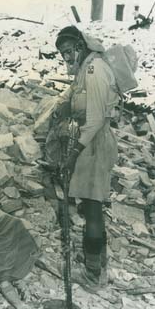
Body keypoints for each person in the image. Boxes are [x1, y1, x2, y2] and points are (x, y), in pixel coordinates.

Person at [53, 26, 119, 292]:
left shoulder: (95, 71)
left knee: (92, 208)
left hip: (94, 144)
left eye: (70, 51)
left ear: (81, 46)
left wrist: (72, 156)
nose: (67, 57)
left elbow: (94, 121)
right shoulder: (85, 69)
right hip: (88, 142)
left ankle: (93, 275)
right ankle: (98, 265)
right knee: (89, 206)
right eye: (63, 54)